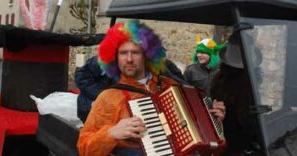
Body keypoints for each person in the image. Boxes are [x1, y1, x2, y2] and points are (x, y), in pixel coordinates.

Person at [77, 20, 226, 156]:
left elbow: (198, 136)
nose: (129, 59)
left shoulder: (170, 85)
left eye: (135, 52)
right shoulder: (108, 97)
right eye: (123, 53)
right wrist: (111, 133)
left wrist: (214, 122)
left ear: (147, 56)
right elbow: (84, 149)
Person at [75, 56, 186, 123]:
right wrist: (106, 98)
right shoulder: (105, 61)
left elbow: (178, 82)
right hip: (93, 110)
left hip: (135, 111)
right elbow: (81, 78)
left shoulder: (161, 63)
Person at [210, 33, 263, 156]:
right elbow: (251, 128)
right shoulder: (246, 89)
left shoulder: (218, 79)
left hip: (222, 144)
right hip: (237, 149)